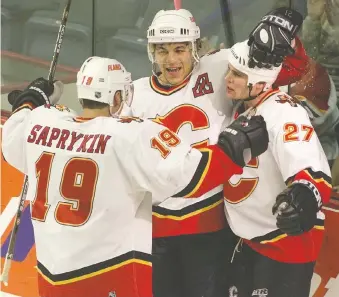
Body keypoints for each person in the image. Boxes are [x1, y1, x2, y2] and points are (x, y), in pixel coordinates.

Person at [1, 56, 269, 297]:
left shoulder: (40, 124)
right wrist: (234, 148)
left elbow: (13, 133)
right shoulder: (128, 136)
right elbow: (194, 175)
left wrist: (31, 98)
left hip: (50, 277)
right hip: (106, 273)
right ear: (117, 98)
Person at [123, 6, 310, 297]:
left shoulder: (220, 68)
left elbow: (288, 69)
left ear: (195, 48)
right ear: (151, 52)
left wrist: (284, 38)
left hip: (208, 229)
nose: (171, 60)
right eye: (162, 51)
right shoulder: (133, 95)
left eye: (180, 49)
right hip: (153, 231)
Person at [223, 40, 332, 297]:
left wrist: (305, 193)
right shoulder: (243, 107)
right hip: (247, 239)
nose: (227, 79)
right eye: (229, 70)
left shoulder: (284, 112)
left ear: (260, 82)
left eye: (237, 74)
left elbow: (310, 168)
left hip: (282, 245)